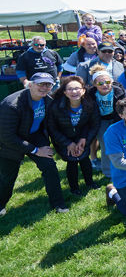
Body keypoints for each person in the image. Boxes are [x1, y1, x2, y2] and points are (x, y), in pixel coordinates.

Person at [0, 72, 68, 215]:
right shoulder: (11, 104)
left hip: (35, 135)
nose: (44, 87)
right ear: (30, 85)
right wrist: (36, 150)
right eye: (40, 84)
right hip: (10, 142)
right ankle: (1, 205)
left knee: (50, 167)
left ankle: (58, 204)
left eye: (48, 84)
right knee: (8, 176)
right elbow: (7, 136)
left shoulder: (48, 100)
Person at [46, 76, 100, 196]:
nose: (74, 92)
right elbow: (52, 128)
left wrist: (85, 139)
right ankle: (74, 188)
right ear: (65, 92)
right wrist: (68, 143)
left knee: (85, 160)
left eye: (77, 88)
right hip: (64, 139)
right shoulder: (56, 107)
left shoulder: (90, 104)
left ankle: (89, 182)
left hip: (83, 137)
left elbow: (94, 124)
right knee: (72, 162)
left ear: (83, 90)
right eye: (70, 89)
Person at [86, 66, 126, 177]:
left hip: (115, 118)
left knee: (120, 142)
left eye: (107, 81)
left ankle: (124, 165)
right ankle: (108, 171)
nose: (104, 85)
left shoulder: (117, 91)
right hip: (100, 120)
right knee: (105, 144)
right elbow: (90, 111)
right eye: (100, 83)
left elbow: (122, 108)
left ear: (112, 81)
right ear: (94, 84)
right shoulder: (91, 93)